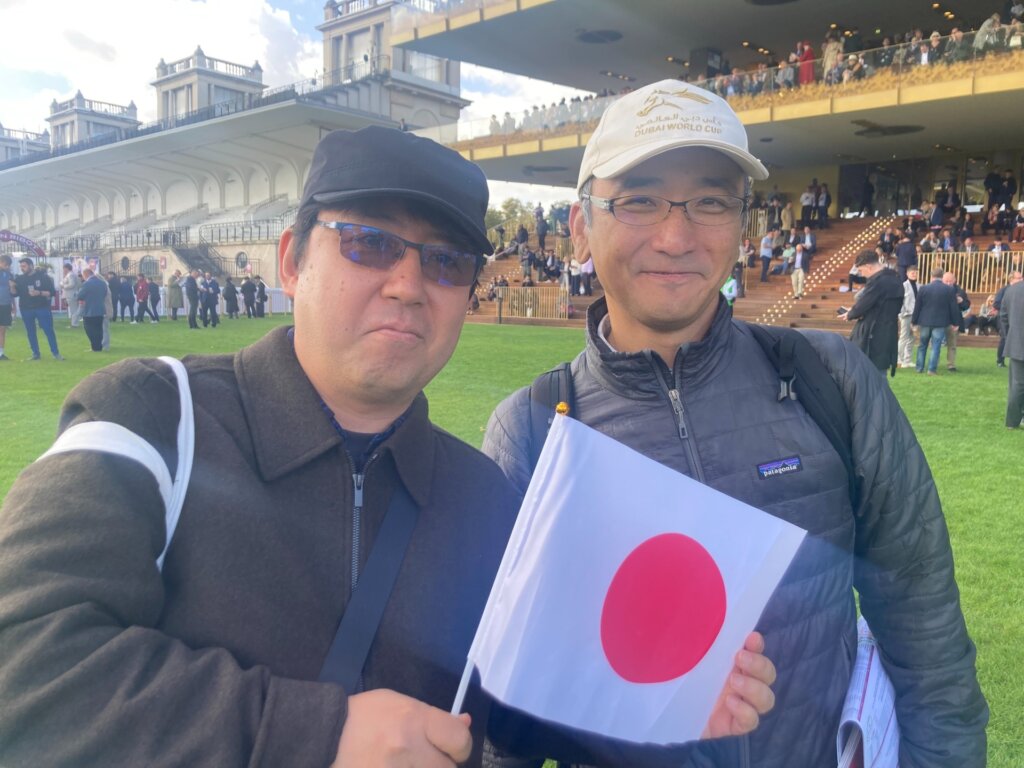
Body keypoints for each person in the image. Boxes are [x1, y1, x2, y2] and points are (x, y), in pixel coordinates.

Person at [0, 126, 772, 767]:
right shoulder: (152, 417)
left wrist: (661, 693)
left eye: (444, 262)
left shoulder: (481, 497)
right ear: (292, 261)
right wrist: (317, 734)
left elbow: (510, 705)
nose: (409, 284)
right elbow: (24, 662)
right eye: (369, 244)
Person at [483, 80, 987, 768]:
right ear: (580, 225)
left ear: (744, 225)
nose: (675, 234)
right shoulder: (534, 431)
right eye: (638, 198)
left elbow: (926, 633)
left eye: (713, 201)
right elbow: (505, 716)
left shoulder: (830, 379)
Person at [840, 251, 904, 375]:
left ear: (869, 267)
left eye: (861, 270)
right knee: (880, 370)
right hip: (889, 329)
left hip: (872, 331)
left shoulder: (877, 281)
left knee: (866, 371)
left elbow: (865, 302)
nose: (861, 274)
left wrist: (850, 313)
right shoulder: (896, 279)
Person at [912, 267, 961, 375]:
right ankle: (931, 369)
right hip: (940, 322)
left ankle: (919, 368)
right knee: (936, 346)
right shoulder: (949, 289)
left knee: (922, 345)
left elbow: (917, 306)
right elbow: (953, 308)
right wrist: (955, 323)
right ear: (942, 276)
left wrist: (914, 320)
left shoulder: (923, 288)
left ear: (931, 276)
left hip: (924, 321)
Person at [13, 257, 63, 361]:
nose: (22, 268)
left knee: (48, 330)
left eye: (24, 266)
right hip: (26, 309)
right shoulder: (19, 279)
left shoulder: (43, 277)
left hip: (42, 307)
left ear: (31, 266)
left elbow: (52, 292)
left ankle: (56, 353)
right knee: (30, 331)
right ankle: (35, 353)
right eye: (21, 266)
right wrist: (12, 286)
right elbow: (15, 294)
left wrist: (39, 293)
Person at [1000, 271, 1024, 428]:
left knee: (1017, 384)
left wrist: (1010, 335)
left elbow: (1003, 317)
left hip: (1016, 342)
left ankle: (1012, 421)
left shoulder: (1011, 290)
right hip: (1016, 341)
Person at [76, 267, 109, 352]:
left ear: (86, 274)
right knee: (99, 329)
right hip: (100, 309)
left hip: (89, 310)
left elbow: (80, 296)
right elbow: (105, 294)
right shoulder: (103, 283)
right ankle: (98, 347)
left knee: (89, 329)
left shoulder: (87, 284)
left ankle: (95, 347)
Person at [942, 271, 970, 372]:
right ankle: (933, 363)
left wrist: (961, 301)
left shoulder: (960, 291)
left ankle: (951, 365)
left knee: (952, 345)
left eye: (950, 281)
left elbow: (966, 306)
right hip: (940, 321)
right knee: (935, 344)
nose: (949, 283)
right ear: (942, 280)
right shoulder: (938, 290)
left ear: (955, 280)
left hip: (954, 322)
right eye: (946, 281)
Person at [898, 266, 920, 367]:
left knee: (911, 338)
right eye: (912, 272)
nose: (914, 274)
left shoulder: (920, 286)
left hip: (916, 316)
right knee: (904, 337)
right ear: (907, 274)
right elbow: (900, 301)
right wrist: (902, 314)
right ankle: (899, 359)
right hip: (906, 315)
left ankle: (907, 360)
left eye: (915, 272)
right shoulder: (903, 286)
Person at [0, 254, 14, 360]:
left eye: (8, 265)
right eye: (6, 264)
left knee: (2, 329)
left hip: (5, 304)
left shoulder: (9, 274)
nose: (7, 266)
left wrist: (13, 304)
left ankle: (1, 353)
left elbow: (12, 291)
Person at [61, 263, 81, 328]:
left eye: (64, 268)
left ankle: (74, 324)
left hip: (71, 294)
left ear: (66, 268)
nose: (63, 270)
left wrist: (63, 286)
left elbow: (72, 284)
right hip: (73, 294)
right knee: (74, 310)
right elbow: (79, 284)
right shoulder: (72, 275)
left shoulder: (70, 275)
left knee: (74, 310)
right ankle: (74, 323)